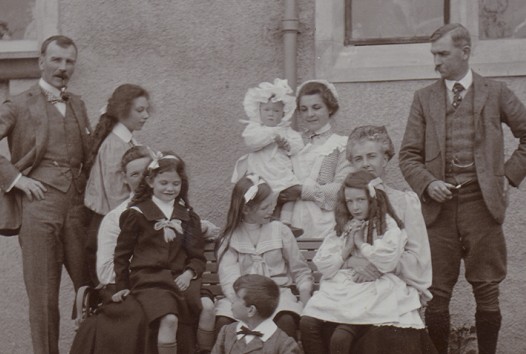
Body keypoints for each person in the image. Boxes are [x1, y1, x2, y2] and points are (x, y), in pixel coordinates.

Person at [399, 23, 526, 354]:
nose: (436, 62)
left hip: (481, 204)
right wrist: (429, 183)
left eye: (442, 54)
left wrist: (509, 177)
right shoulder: (424, 99)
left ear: (465, 52)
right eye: (433, 55)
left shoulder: (495, 92)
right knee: (437, 291)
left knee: (486, 288)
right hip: (439, 209)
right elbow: (408, 155)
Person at [301, 125, 433, 353]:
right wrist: (352, 261)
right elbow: (339, 245)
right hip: (349, 291)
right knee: (315, 324)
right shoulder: (352, 203)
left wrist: (378, 265)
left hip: (389, 291)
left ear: (386, 158)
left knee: (374, 336)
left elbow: (417, 259)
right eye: (358, 159)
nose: (366, 164)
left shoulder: (403, 202)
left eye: (372, 156)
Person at [0, 35, 92, 354]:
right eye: (56, 60)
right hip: (39, 212)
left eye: (69, 62)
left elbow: (90, 156)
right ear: (41, 62)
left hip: (78, 211)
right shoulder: (19, 103)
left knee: (91, 290)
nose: (63, 68)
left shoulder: (78, 103)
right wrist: (16, 180)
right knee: (44, 300)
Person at [95, 146, 219, 354]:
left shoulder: (186, 216)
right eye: (163, 183)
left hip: (180, 278)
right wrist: (122, 286)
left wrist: (189, 274)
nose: (169, 189)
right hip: (150, 280)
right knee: (169, 319)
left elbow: (196, 256)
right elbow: (122, 255)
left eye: (175, 184)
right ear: (151, 182)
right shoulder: (137, 214)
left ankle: (204, 351)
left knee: (208, 308)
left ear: (182, 184)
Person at [215, 174, 313, 341]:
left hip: (278, 296)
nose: (271, 211)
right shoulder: (230, 239)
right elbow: (229, 280)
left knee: (286, 321)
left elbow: (300, 271)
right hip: (243, 299)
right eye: (264, 208)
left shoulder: (280, 231)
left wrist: (306, 299)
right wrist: (245, 306)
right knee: (224, 323)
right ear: (246, 209)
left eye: (272, 205)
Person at [84, 83, 151, 285]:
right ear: (122, 110)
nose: (146, 115)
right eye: (140, 110)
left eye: (147, 109)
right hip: (111, 230)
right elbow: (118, 201)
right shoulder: (114, 146)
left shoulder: (129, 141)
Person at [278, 79, 352, 239]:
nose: (310, 114)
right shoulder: (292, 142)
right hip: (291, 221)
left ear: (330, 108)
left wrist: (302, 191)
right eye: (304, 109)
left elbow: (342, 189)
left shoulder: (341, 144)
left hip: (326, 223)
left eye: (316, 107)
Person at [231, 78, 303, 223]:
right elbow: (252, 142)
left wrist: (286, 144)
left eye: (276, 111)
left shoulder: (286, 131)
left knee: (291, 192)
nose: (271, 114)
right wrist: (271, 136)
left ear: (283, 113)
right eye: (267, 110)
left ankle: (286, 222)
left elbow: (298, 145)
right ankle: (268, 221)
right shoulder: (255, 129)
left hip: (280, 172)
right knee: (263, 198)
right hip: (262, 172)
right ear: (259, 111)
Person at [212, 274, 301, 354]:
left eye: (237, 298)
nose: (232, 301)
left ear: (251, 310)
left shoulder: (284, 344)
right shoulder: (226, 332)